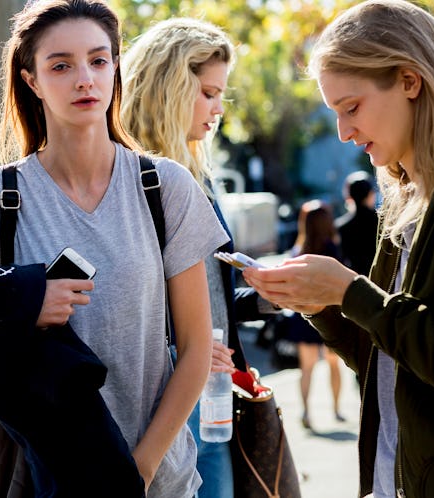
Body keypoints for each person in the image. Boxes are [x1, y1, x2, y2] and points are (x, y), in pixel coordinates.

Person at [0, 1, 224, 496]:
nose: (84, 78)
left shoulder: (165, 188)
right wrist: (25, 303)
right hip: (36, 479)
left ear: (115, 68)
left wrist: (138, 472)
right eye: (60, 65)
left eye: (98, 60)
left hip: (156, 480)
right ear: (31, 81)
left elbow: (196, 348)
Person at [242, 1, 434, 497]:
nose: (343, 132)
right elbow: (383, 358)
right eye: (335, 113)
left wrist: (350, 291)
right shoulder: (401, 199)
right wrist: (323, 305)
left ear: (410, 81)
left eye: (352, 107)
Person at [120, 17, 279, 497]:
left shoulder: (198, 175)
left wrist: (265, 297)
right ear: (168, 87)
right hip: (161, 397)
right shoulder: (127, 177)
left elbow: (207, 291)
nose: (218, 110)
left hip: (212, 391)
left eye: (221, 96)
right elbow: (117, 296)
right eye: (208, 93)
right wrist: (179, 346)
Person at [284, 200, 345, 429]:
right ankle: (337, 409)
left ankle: (306, 412)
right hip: (330, 315)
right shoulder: (332, 250)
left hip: (303, 316)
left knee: (306, 368)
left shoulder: (298, 251)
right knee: (333, 365)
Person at [335, 170, 378, 275]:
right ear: (370, 193)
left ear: (348, 196)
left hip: (355, 280)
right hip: (381, 279)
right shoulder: (382, 221)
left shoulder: (341, 226)